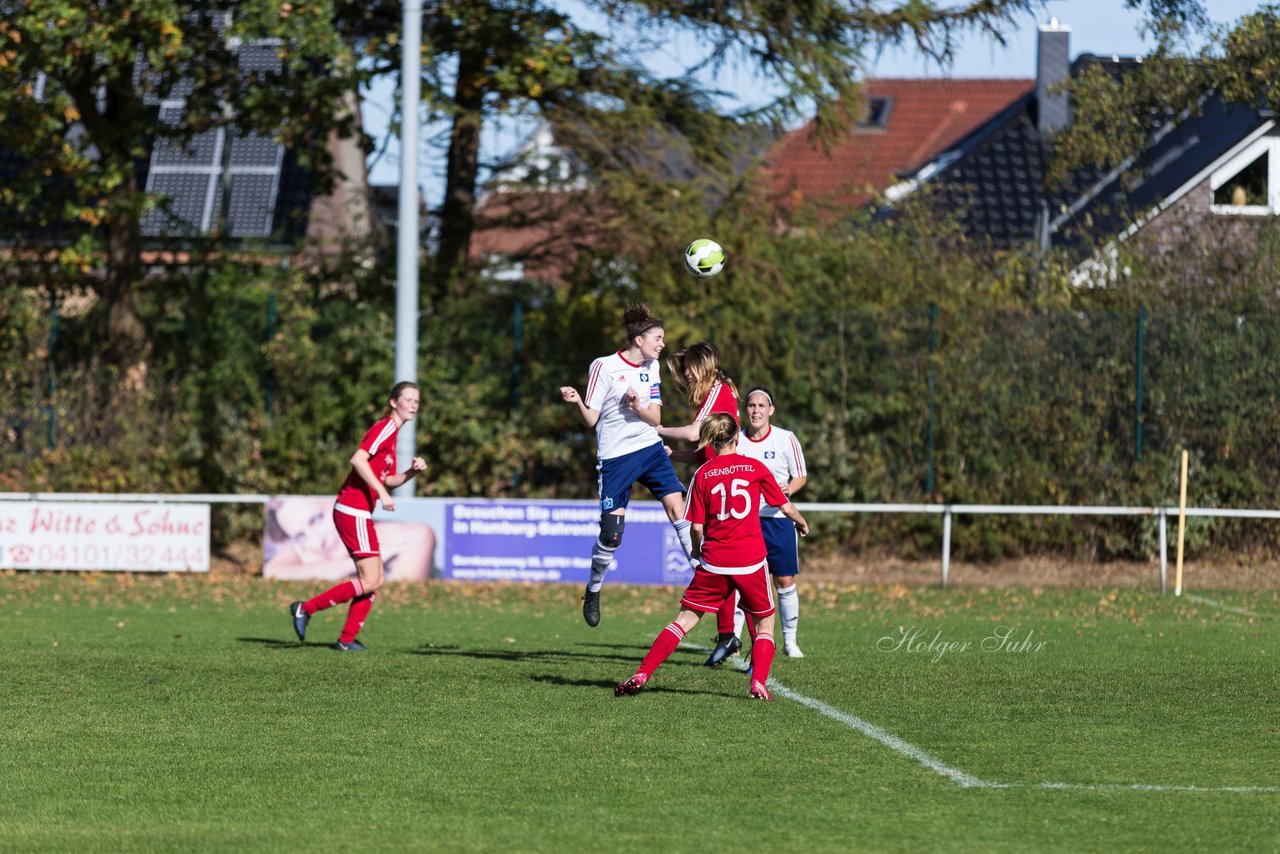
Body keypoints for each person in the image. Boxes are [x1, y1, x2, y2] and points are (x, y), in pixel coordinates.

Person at [615, 413, 809, 701]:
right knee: (764, 624)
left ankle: (643, 672)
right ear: (737, 438)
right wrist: (802, 522)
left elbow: (695, 526)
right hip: (751, 561)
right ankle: (758, 683)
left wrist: (696, 550)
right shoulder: (755, 467)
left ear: (712, 442)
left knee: (683, 621)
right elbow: (784, 505)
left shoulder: (703, 473)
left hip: (715, 561)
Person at [560, 304, 698, 628]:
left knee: (679, 511)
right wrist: (578, 401)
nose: (662, 344)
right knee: (612, 536)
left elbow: (657, 418)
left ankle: (704, 576)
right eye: (658, 338)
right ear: (639, 340)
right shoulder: (603, 367)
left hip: (649, 448)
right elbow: (591, 419)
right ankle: (593, 589)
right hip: (616, 457)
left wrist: (637, 406)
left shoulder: (653, 367)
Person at [289, 381, 428, 651]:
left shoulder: (393, 435)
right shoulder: (386, 427)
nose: (413, 404)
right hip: (353, 509)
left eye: (416, 401)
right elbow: (358, 460)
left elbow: (387, 478)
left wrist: (412, 473)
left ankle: (346, 639)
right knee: (370, 579)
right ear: (392, 402)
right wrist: (383, 495)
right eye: (408, 399)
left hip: (358, 510)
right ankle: (305, 609)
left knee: (375, 580)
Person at [656, 342, 745, 664]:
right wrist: (674, 454)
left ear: (704, 366)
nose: (686, 374)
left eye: (690, 367)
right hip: (715, 480)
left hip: (721, 484)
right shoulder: (713, 395)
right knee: (716, 562)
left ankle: (740, 633)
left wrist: (658, 429)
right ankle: (727, 635)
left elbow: (696, 433)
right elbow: (704, 447)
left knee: (717, 563)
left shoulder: (718, 393)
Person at [736, 386, 808, 657]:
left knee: (784, 580)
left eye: (761, 406)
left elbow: (799, 476)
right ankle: (733, 640)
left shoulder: (785, 438)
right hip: (744, 522)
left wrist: (787, 489)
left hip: (778, 519)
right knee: (741, 582)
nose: (756, 411)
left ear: (771, 410)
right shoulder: (737, 440)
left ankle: (790, 642)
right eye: (751, 406)